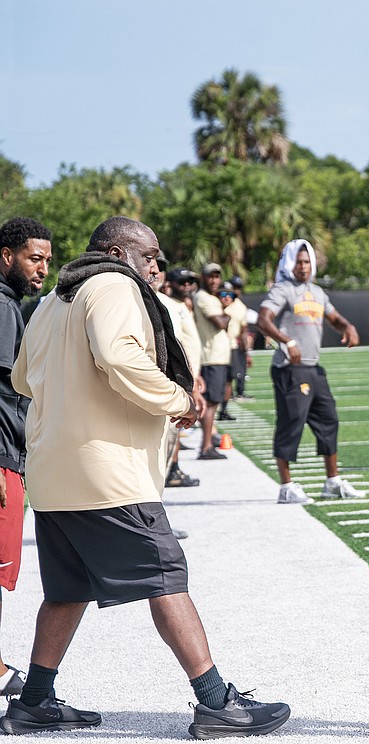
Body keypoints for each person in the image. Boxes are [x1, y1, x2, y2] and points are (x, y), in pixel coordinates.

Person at [5, 216, 289, 738]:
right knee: (165, 576)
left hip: (52, 472)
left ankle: (34, 703)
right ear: (117, 253)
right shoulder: (112, 284)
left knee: (67, 590)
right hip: (107, 472)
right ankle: (217, 704)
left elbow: (23, 378)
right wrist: (177, 398)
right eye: (150, 256)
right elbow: (119, 356)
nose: (155, 267)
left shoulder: (51, 301)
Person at [256, 239, 364, 504]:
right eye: (298, 262)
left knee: (329, 420)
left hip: (313, 367)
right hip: (289, 369)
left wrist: (348, 326)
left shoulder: (316, 292)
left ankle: (332, 482)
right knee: (291, 423)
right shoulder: (283, 289)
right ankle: (286, 487)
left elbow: (334, 318)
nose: (303, 267)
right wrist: (287, 341)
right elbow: (263, 320)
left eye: (307, 262)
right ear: (289, 263)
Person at [0, 218, 53, 699]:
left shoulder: (10, 304)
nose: (43, 269)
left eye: (47, 261)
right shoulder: (2, 307)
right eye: (34, 258)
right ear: (6, 255)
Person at [157, 265, 204, 489]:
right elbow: (177, 347)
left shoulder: (177, 305)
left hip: (185, 377)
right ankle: (170, 471)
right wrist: (189, 383)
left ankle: (172, 468)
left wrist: (196, 374)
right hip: (172, 381)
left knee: (173, 432)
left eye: (190, 282)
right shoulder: (164, 303)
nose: (186, 286)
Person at [192, 263, 233, 459]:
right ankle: (206, 446)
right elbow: (221, 323)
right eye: (211, 276)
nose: (215, 280)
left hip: (216, 357)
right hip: (211, 357)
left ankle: (209, 439)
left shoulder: (210, 297)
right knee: (210, 403)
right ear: (203, 278)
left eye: (217, 276)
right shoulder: (203, 297)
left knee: (213, 403)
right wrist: (226, 311)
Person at [227, 276, 254, 401]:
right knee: (228, 373)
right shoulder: (223, 301)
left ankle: (240, 391)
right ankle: (229, 394)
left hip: (236, 342)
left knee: (240, 369)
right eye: (234, 287)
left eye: (238, 288)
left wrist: (246, 350)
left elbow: (244, 329)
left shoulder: (241, 306)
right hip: (224, 343)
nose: (236, 291)